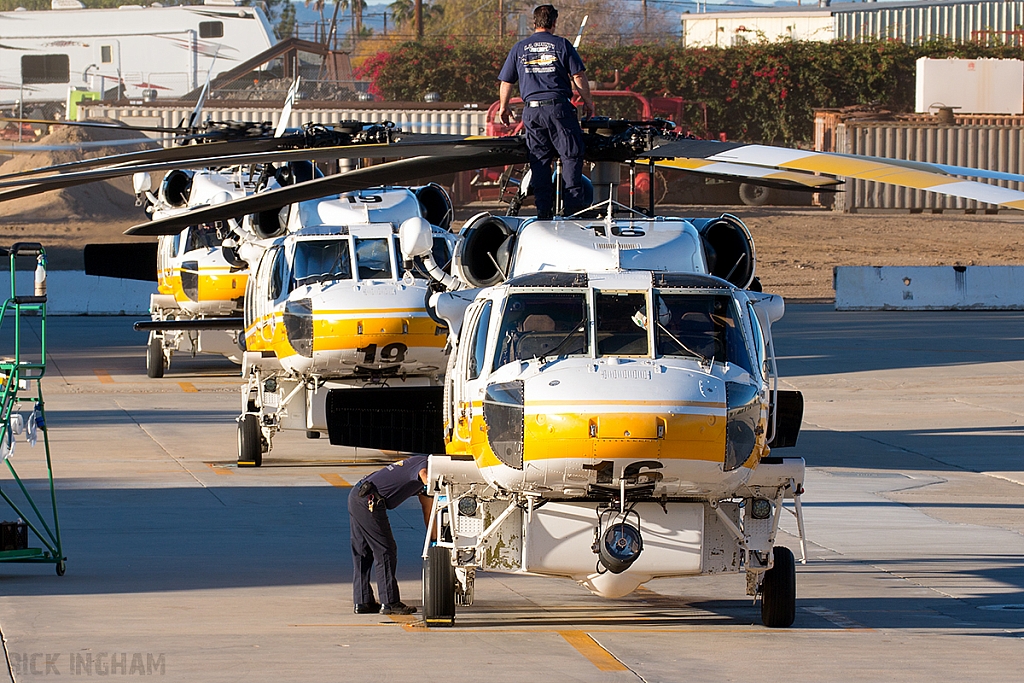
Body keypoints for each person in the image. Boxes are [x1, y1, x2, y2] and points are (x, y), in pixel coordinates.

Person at [498, 5, 595, 219]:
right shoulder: (561, 45)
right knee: (570, 156)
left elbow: (506, 81)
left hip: (532, 113)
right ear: (553, 23)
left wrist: (503, 107)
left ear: (535, 23)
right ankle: (573, 211)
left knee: (539, 160)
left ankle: (544, 213)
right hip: (559, 110)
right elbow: (578, 76)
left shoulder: (519, 48)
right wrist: (588, 101)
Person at [349, 455, 432, 615]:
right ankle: (390, 602)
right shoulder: (426, 464)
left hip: (357, 495)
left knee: (363, 552)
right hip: (370, 501)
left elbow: (426, 506)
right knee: (385, 550)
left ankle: (362, 601)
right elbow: (424, 475)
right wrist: (435, 484)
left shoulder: (417, 461)